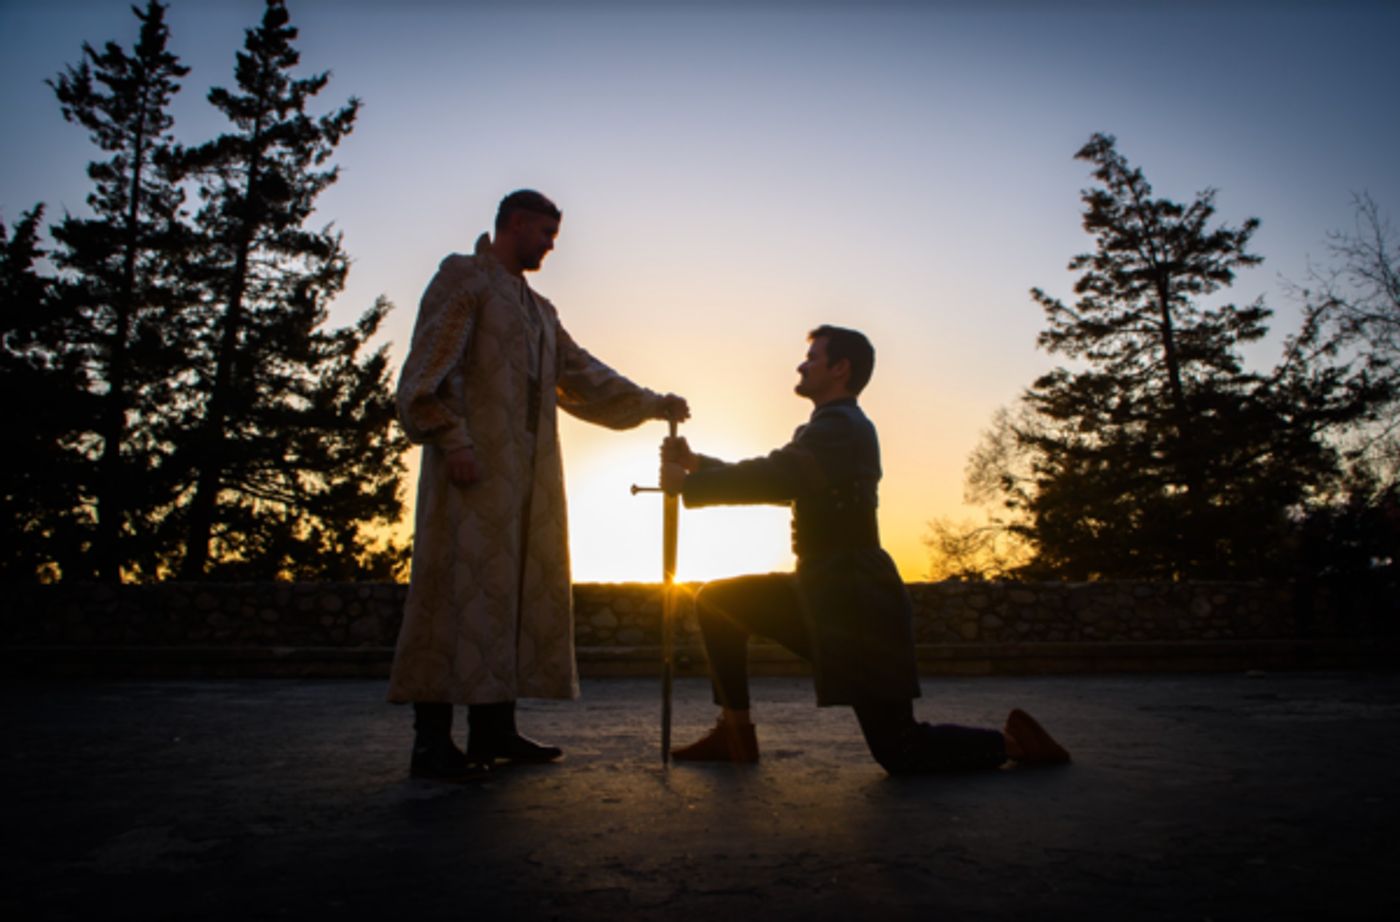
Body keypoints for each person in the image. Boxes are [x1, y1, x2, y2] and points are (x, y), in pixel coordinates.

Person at [659, 325, 1069, 773]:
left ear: (840, 368)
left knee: (900, 749)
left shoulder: (841, 427)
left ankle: (1015, 744)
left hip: (856, 600)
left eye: (813, 357)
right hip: (824, 590)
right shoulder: (828, 429)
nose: (802, 364)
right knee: (720, 601)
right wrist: (699, 467)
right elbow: (788, 481)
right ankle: (735, 735)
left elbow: (780, 474)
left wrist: (693, 483)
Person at [390, 190, 688, 781]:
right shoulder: (464, 278)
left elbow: (582, 376)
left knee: (510, 594)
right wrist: (454, 440)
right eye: (547, 232)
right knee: (455, 593)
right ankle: (431, 742)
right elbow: (428, 370)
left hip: (528, 480)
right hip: (471, 467)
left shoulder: (540, 310)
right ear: (516, 223)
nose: (552, 245)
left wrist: (653, 404)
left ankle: (494, 731)